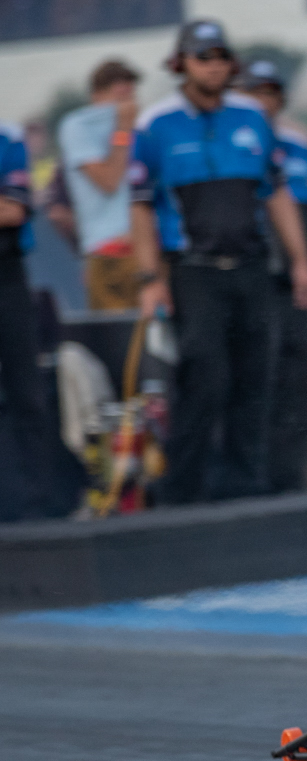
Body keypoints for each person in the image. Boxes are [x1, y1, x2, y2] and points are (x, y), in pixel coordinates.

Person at [130, 19, 307, 504]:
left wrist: (300, 262)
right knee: (205, 376)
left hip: (252, 265)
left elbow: (275, 192)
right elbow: (140, 206)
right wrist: (151, 278)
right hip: (193, 269)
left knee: (256, 375)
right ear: (181, 64)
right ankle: (184, 490)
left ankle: (244, 486)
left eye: (219, 57)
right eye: (202, 57)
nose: (212, 66)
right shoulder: (156, 125)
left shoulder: (252, 117)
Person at [239, 59, 307, 493]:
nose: (264, 102)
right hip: (254, 285)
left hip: (299, 289)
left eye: (270, 93)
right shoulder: (237, 150)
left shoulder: (300, 150)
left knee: (303, 377)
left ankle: (294, 476)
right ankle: (254, 479)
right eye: (254, 93)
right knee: (258, 380)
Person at [58, 59, 142, 312]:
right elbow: (109, 181)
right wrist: (123, 128)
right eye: (119, 97)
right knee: (115, 339)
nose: (125, 105)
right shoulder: (77, 127)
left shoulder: (143, 125)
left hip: (144, 247)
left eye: (130, 96)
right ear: (97, 95)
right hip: (108, 251)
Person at [0, 120, 52, 518]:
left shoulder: (8, 137)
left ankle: (39, 501)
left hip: (7, 276)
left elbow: (12, 210)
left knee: (26, 393)